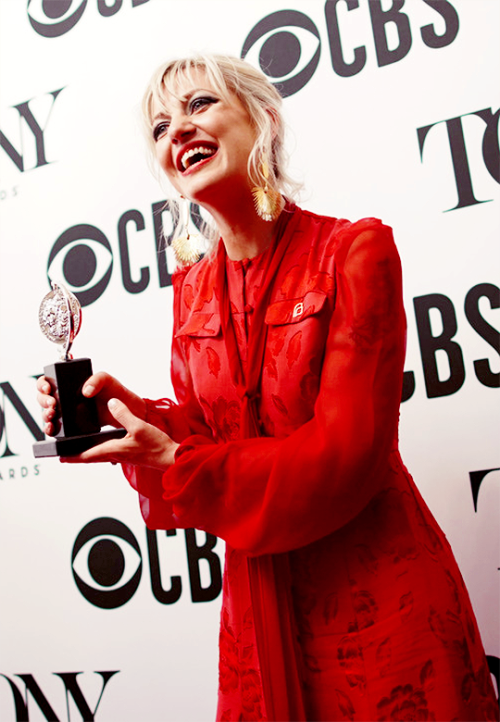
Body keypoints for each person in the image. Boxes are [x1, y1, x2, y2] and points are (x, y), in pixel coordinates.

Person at [37, 55, 499, 722]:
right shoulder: (192, 287)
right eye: (161, 125)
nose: (177, 132)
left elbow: (348, 454)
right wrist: (115, 411)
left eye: (199, 106)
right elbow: (202, 426)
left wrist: (183, 464)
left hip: (379, 594)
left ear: (264, 119)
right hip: (257, 608)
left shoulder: (354, 252)